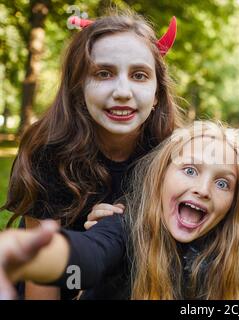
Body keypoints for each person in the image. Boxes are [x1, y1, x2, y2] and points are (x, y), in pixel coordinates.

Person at [1, 12, 182, 299]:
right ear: (78, 86)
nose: (123, 92)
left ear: (157, 92)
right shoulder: (48, 151)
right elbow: (42, 279)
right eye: (103, 73)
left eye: (139, 75)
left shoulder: (172, 155)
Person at [0, 121, 239, 300]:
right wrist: (29, 253)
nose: (203, 189)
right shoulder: (124, 225)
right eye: (190, 170)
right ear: (160, 175)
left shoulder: (234, 251)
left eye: (222, 183)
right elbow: (90, 254)